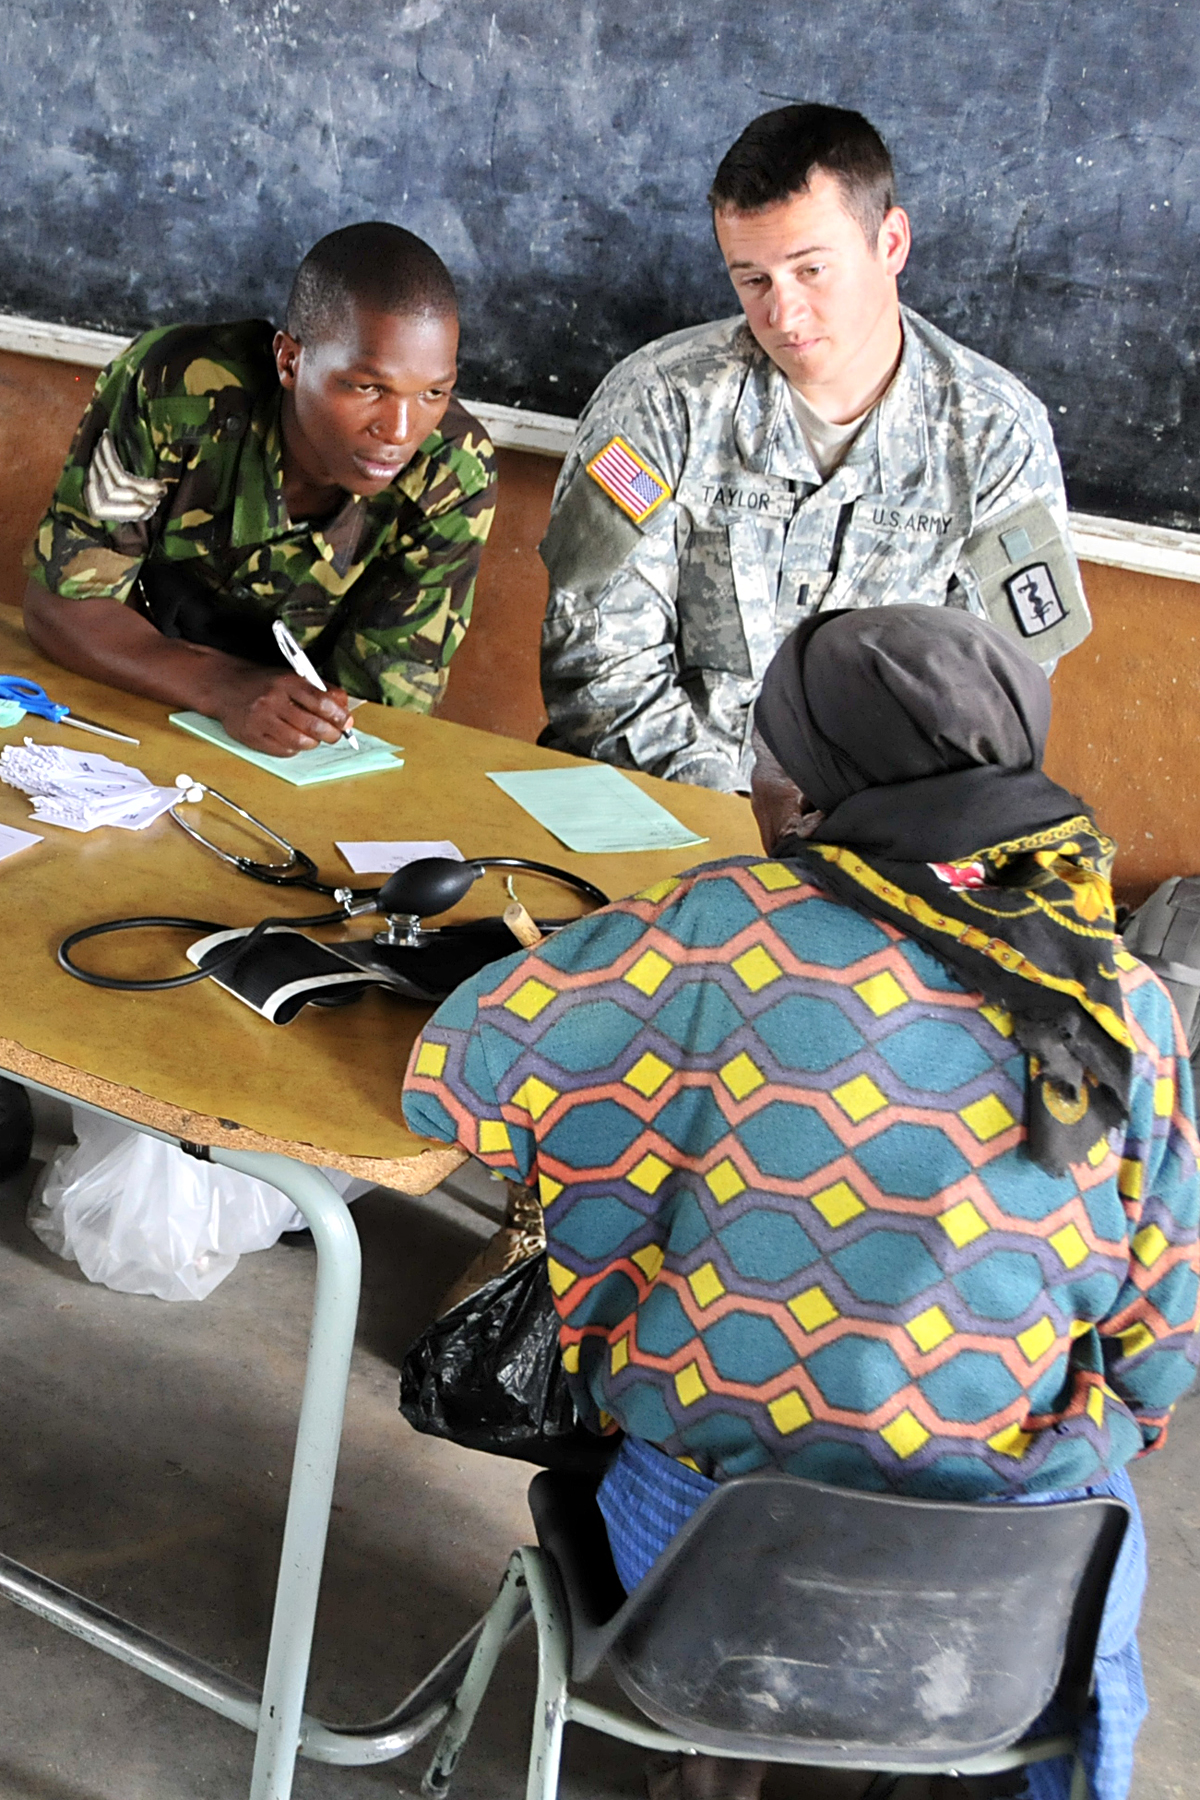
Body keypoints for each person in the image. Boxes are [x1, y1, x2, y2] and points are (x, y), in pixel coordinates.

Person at [404, 607, 1199, 1800]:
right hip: (1020, 1591)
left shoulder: (723, 930)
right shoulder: (1125, 999)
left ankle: (726, 1769)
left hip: (711, 1566)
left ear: (824, 788)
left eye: (774, 754)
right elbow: (1158, 1346)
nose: (759, 784)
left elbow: (454, 1084)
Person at [539, 105, 1090, 791]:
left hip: (879, 836)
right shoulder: (659, 402)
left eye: (811, 271)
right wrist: (733, 819)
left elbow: (992, 696)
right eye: (753, 280)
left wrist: (843, 837)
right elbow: (598, 661)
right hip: (663, 808)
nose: (782, 314)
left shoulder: (994, 434)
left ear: (890, 243)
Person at [24, 222, 497, 756]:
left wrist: (305, 721)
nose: (399, 430)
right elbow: (61, 608)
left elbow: (384, 707)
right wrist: (225, 688)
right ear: (290, 360)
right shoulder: (178, 392)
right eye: (368, 387)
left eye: (434, 392)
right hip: (130, 688)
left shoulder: (453, 472)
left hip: (290, 750)